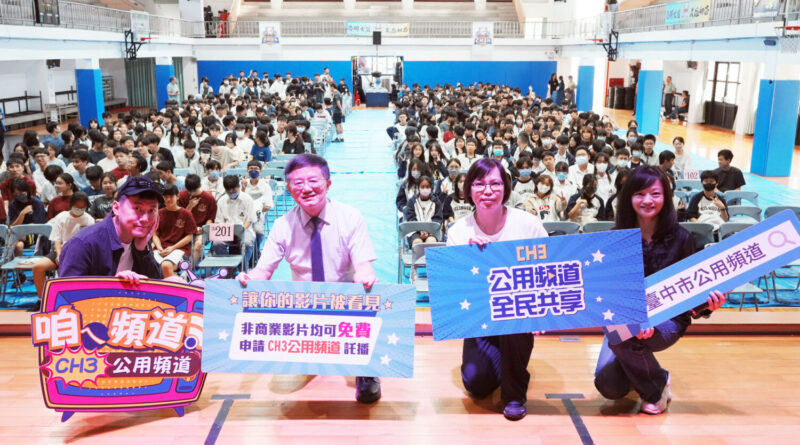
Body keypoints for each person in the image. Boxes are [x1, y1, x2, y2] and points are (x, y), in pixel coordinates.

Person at [236, 154, 380, 403]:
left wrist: (365, 277)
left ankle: (367, 371)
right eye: (298, 183)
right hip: (305, 307)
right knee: (284, 387)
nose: (306, 188)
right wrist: (248, 279)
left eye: (313, 181)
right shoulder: (282, 225)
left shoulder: (350, 217)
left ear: (328, 184)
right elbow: (263, 271)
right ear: (289, 189)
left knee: (370, 295)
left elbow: (363, 265)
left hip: (346, 303)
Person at [594, 166, 727, 414]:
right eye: (640, 194)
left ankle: (656, 388)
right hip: (625, 320)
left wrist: (708, 304)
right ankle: (644, 369)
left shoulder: (682, 238)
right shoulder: (614, 239)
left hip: (667, 320)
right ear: (628, 197)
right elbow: (608, 294)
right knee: (609, 386)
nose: (648, 200)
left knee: (625, 340)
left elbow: (691, 294)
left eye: (655, 193)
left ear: (666, 197)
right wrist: (635, 319)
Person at [446, 158, 548, 421]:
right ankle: (507, 360)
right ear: (468, 189)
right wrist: (467, 259)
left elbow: (548, 269)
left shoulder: (528, 224)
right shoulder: (458, 232)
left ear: (506, 188)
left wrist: (541, 311)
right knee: (476, 384)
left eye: (495, 184)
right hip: (480, 319)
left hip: (518, 319)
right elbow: (453, 287)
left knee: (514, 317)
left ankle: (514, 393)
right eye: (479, 184)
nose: (488, 191)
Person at [59, 175, 164, 282]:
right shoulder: (83, 243)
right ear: (116, 208)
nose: (145, 219)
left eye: (151, 210)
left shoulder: (139, 239)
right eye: (137, 208)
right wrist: (112, 284)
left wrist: (141, 251)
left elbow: (156, 284)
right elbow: (66, 290)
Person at [30, 192, 94, 303]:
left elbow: (89, 243)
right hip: (60, 250)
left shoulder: (89, 220)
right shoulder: (61, 217)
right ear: (71, 205)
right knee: (38, 267)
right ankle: (42, 300)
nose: (79, 210)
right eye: (77, 207)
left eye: (82, 208)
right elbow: (57, 239)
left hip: (79, 254)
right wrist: (59, 255)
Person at [153, 184, 197, 277]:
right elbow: (155, 234)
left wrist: (173, 248)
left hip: (180, 249)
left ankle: (173, 284)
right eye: (165, 197)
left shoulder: (186, 214)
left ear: (177, 196)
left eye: (171, 196)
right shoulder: (159, 213)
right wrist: (159, 247)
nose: (168, 199)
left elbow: (189, 236)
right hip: (161, 249)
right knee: (148, 265)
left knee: (166, 265)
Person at [179, 174, 218, 264]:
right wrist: (189, 207)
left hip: (201, 231)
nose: (192, 194)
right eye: (189, 191)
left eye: (194, 191)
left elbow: (210, 219)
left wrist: (204, 228)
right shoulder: (181, 196)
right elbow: (179, 219)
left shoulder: (209, 198)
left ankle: (188, 269)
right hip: (184, 230)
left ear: (200, 185)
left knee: (198, 245)